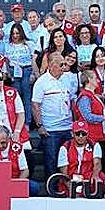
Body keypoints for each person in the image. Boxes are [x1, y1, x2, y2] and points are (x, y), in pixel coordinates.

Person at [32, 54, 75, 182]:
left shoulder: (67, 79)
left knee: (68, 161)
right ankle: (52, 190)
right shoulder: (41, 82)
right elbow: (35, 105)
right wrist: (40, 126)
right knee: (51, 162)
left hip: (67, 127)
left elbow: (71, 102)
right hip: (51, 129)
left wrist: (74, 124)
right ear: (51, 65)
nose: (64, 67)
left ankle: (67, 188)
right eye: (61, 64)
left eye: (65, 64)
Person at [58, 120, 101, 197]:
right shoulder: (65, 147)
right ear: (72, 134)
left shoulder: (94, 145)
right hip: (71, 177)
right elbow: (63, 171)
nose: (81, 136)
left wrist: (95, 176)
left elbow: (97, 163)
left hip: (87, 177)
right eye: (77, 133)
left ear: (88, 134)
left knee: (101, 176)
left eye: (83, 134)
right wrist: (71, 187)